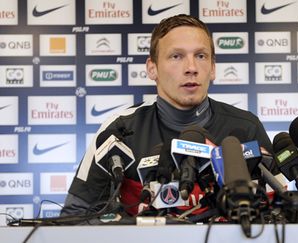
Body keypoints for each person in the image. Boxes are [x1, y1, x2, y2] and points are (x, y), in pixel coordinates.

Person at [61, 14, 273, 218]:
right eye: (176, 56)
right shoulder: (119, 131)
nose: (191, 68)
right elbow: (76, 216)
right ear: (152, 68)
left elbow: (278, 214)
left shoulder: (246, 127)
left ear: (213, 67)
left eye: (201, 56)